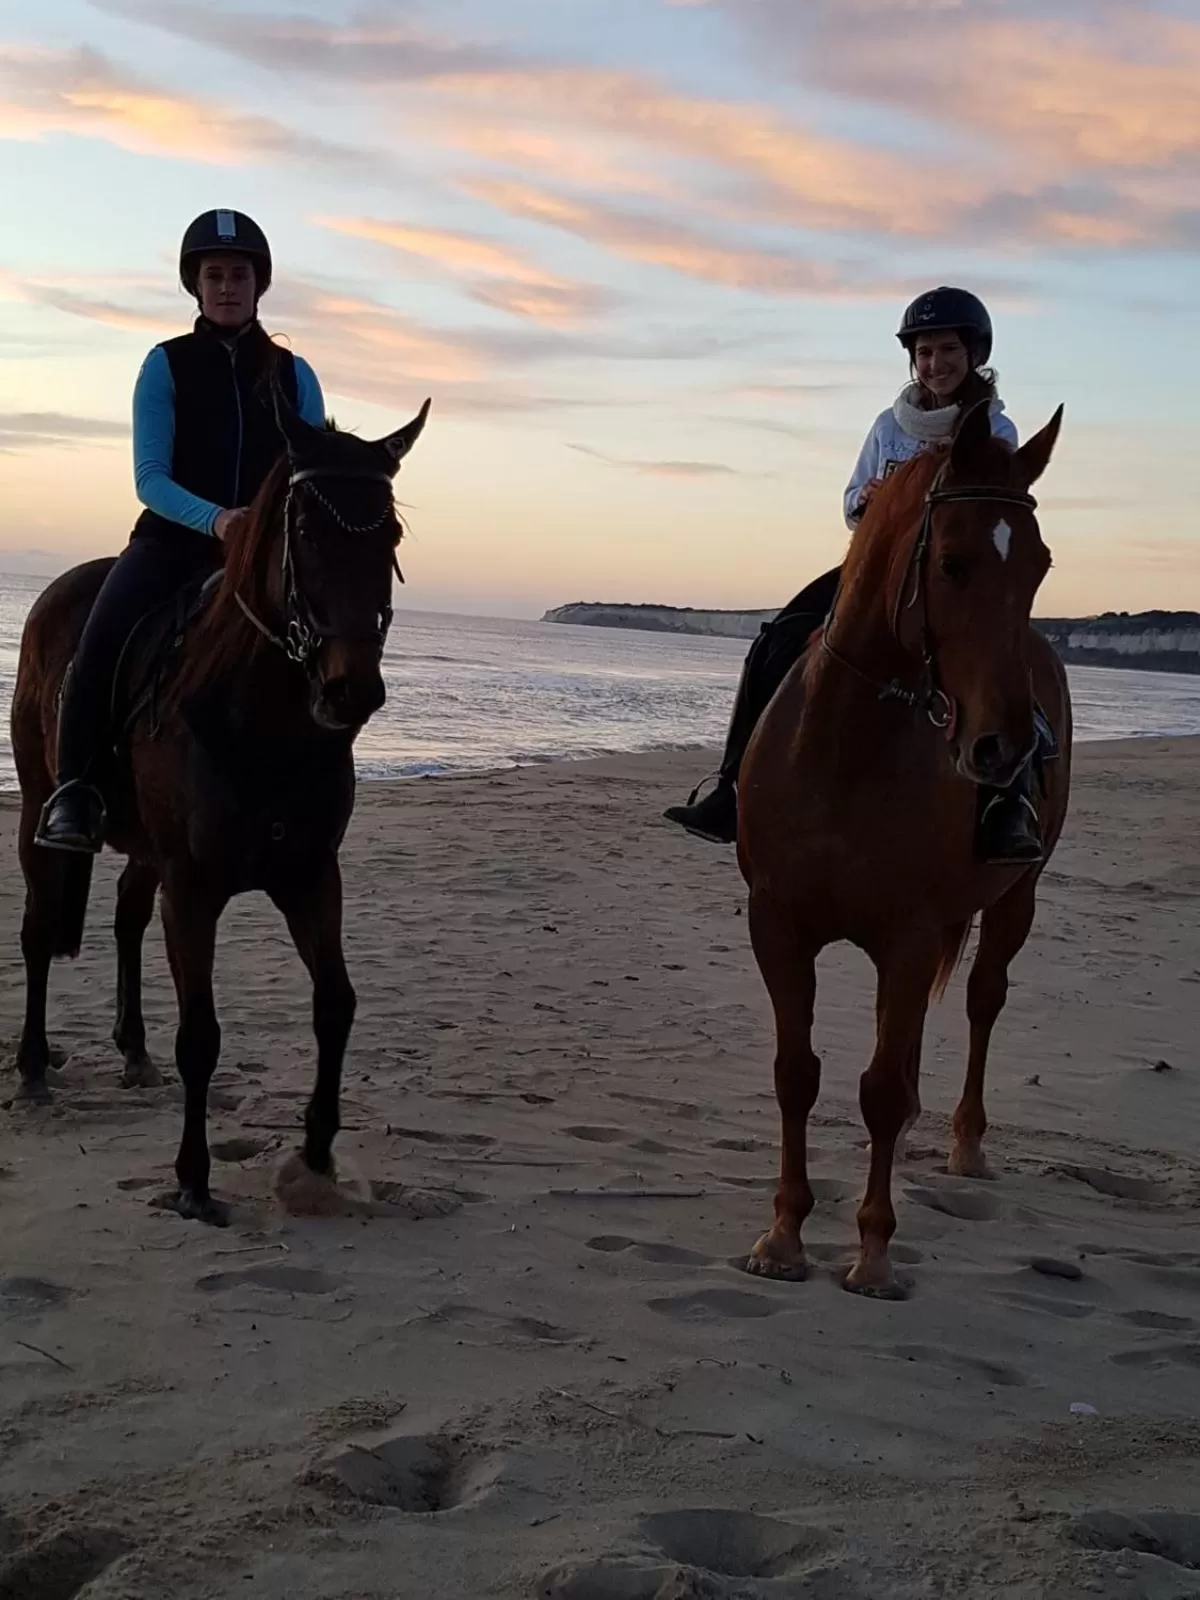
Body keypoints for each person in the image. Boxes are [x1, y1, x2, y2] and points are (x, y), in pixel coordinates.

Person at [663, 286, 1044, 864]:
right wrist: (867, 498)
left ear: (974, 356)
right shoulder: (888, 426)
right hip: (874, 571)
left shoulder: (998, 428)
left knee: (1001, 662)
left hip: (954, 577)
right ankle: (732, 786)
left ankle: (1007, 804)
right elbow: (848, 502)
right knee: (775, 641)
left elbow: (994, 513)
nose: (935, 364)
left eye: (947, 350)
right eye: (923, 353)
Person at [36, 209, 327, 852]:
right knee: (98, 646)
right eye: (214, 274)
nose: (227, 286)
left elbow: (310, 471)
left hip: (263, 557)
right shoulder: (165, 365)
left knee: (332, 643)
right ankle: (77, 792)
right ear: (195, 285)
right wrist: (218, 519)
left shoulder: (295, 374)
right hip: (172, 544)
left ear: (260, 285)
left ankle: (321, 781)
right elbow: (150, 477)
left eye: (239, 275)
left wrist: (269, 533)